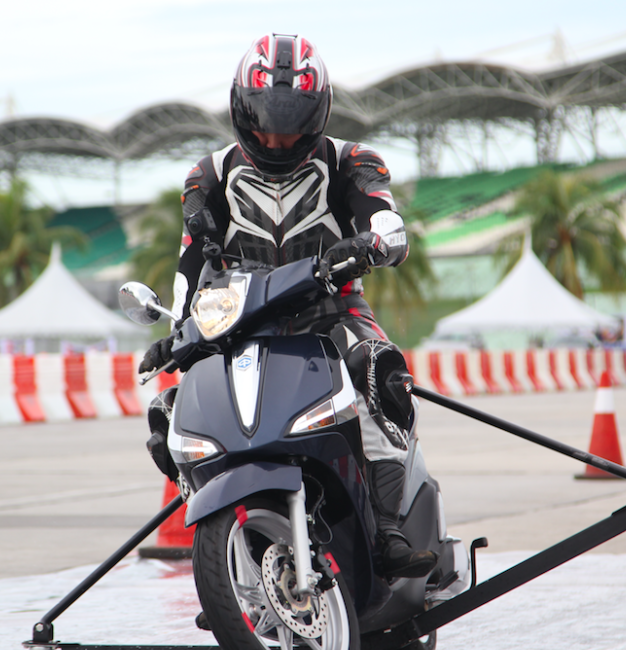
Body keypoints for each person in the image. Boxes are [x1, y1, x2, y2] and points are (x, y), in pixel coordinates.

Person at [138, 33, 436, 580]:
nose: (277, 138)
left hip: (334, 309)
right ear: (240, 110)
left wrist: (378, 239)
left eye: (293, 122)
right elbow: (188, 260)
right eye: (265, 123)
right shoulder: (209, 174)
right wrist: (178, 327)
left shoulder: (354, 160)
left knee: (377, 368)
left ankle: (389, 525)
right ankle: (220, 529)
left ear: (319, 111)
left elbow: (386, 218)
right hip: (242, 321)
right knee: (168, 413)